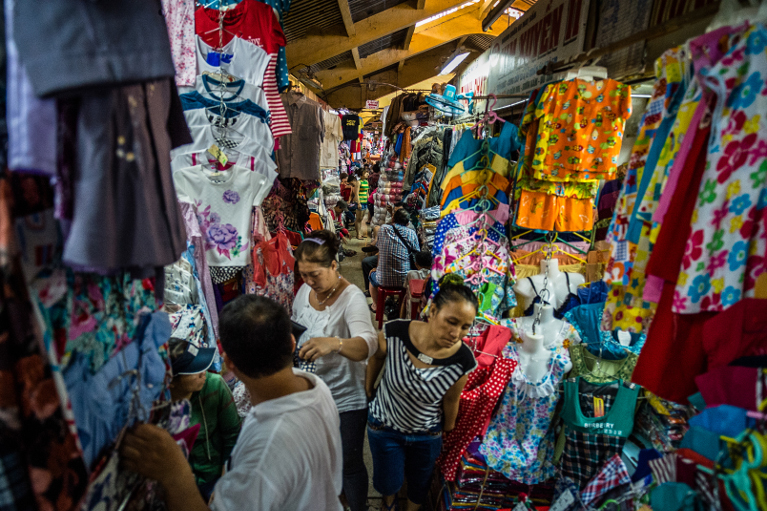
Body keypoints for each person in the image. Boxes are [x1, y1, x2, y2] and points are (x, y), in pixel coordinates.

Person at [120, 296, 344, 511]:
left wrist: (174, 474)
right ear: (292, 342)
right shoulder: (314, 386)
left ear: (229, 363)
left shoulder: (268, 445)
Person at [365, 282, 479, 511]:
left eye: (465, 327)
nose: (456, 334)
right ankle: (389, 505)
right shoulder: (394, 333)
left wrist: (444, 429)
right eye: (452, 322)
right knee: (389, 483)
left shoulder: (463, 361)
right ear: (433, 311)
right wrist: (368, 388)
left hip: (426, 436)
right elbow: (376, 358)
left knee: (419, 485)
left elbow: (450, 401)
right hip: (385, 429)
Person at [293, 230, 378, 511]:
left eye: (314, 274)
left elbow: (368, 344)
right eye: (303, 274)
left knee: (349, 464)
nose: (307, 281)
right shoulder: (306, 290)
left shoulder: (351, 299)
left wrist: (336, 343)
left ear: (333, 265)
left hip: (345, 401)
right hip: (310, 397)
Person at [167, 338, 242, 502]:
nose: (203, 372)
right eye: (194, 370)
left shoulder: (214, 386)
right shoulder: (159, 409)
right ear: (170, 381)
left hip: (215, 477)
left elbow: (232, 438)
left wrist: (223, 484)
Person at [369, 208, 420, 313]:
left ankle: (376, 306)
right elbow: (416, 254)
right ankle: (401, 306)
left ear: (393, 219)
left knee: (371, 274)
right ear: (407, 222)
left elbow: (380, 250)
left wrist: (377, 268)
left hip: (382, 280)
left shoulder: (383, 229)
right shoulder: (411, 233)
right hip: (404, 280)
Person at [400, 250, 433, 319]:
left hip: (414, 303)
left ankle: (401, 320)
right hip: (427, 303)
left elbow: (405, 286)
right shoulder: (433, 276)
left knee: (405, 298)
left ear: (416, 264)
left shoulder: (411, 273)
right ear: (431, 264)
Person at [354, 167, 370, 239]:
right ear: (360, 175)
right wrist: (358, 203)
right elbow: (356, 193)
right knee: (358, 219)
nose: (367, 174)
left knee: (361, 218)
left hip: (365, 202)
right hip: (360, 202)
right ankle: (358, 234)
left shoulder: (366, 181)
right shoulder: (358, 182)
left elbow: (367, 192)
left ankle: (360, 233)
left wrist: (368, 200)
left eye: (367, 172)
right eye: (365, 173)